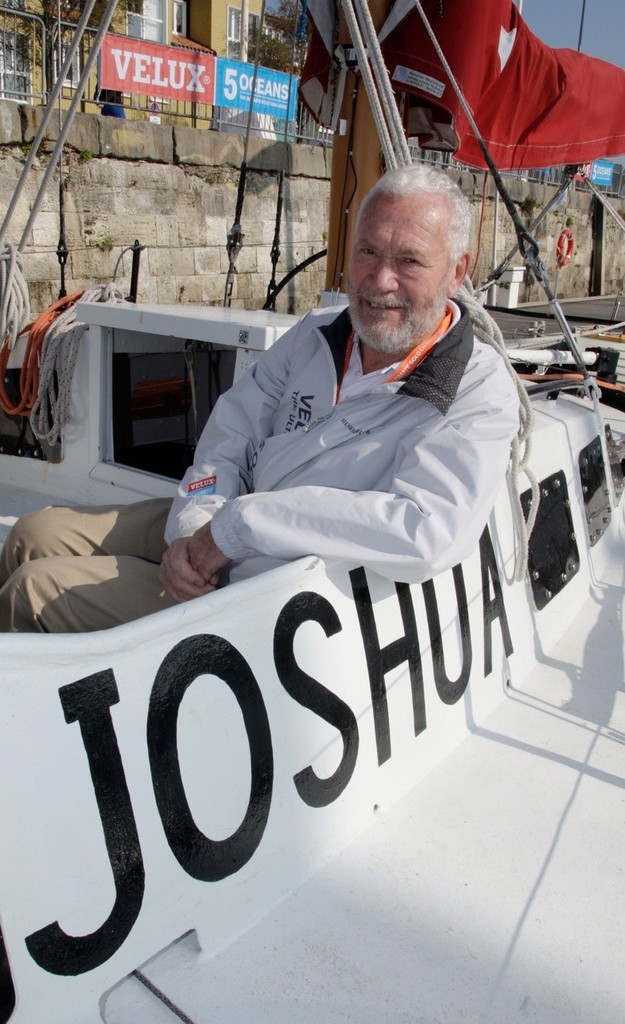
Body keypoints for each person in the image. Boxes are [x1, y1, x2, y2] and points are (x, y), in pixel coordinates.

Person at [0, 164, 520, 632]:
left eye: (409, 260)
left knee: (32, 592)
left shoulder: (476, 391)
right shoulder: (318, 334)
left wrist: (235, 532)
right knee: (31, 533)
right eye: (368, 250)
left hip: (265, 587)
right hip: (218, 520)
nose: (381, 279)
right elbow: (232, 431)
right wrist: (197, 524)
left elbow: (425, 531)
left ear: (456, 271)